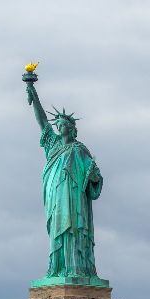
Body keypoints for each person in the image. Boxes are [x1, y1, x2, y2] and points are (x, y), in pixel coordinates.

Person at [24, 76, 104, 283]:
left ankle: (77, 268)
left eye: (63, 125)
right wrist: (33, 93)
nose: (59, 128)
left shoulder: (80, 150)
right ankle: (58, 268)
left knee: (75, 230)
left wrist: (94, 177)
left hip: (75, 199)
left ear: (71, 128)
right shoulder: (53, 145)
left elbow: (94, 179)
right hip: (56, 197)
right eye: (57, 125)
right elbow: (42, 122)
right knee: (58, 231)